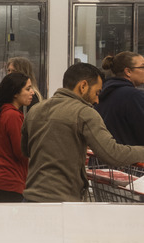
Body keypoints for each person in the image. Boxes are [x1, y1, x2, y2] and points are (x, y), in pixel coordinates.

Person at [21, 63, 144, 202]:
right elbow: (112, 154)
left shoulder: (35, 110)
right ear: (83, 86)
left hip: (31, 197)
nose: (97, 100)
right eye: (97, 93)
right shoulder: (84, 112)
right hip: (62, 201)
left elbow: (26, 150)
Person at [0, 72, 33, 203]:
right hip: (9, 182)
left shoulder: (2, 111)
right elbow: (21, 151)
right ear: (15, 93)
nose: (32, 92)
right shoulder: (13, 116)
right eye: (28, 89)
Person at [96, 51, 144, 146]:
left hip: (107, 157)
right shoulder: (133, 96)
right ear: (128, 71)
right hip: (131, 157)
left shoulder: (102, 93)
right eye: (142, 67)